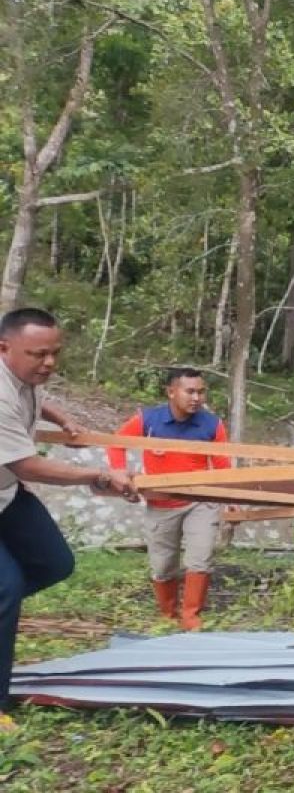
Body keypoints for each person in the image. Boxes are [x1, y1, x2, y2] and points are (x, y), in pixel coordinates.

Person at [0, 308, 139, 731]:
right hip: (14, 479)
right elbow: (29, 466)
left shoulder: (24, 379)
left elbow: (37, 401)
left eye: (55, 353)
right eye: (38, 354)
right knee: (5, 589)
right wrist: (98, 476)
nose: (49, 363)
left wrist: (62, 419)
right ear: (3, 348)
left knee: (54, 563)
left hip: (5, 495)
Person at [107, 368, 231, 631]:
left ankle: (191, 616)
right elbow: (115, 442)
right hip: (161, 504)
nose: (196, 397)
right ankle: (168, 615)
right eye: (190, 391)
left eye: (201, 391)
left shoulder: (212, 424)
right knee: (163, 566)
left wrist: (231, 496)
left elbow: (222, 464)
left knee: (200, 558)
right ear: (171, 392)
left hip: (201, 501)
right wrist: (119, 472)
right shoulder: (149, 420)